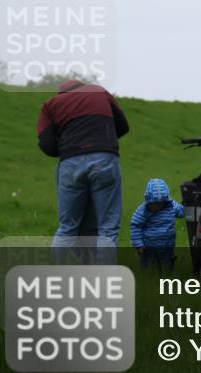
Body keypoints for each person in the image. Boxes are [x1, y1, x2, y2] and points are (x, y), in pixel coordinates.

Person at [37, 79, 129, 249]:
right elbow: (123, 126)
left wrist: (68, 147)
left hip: (70, 164)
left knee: (67, 229)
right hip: (104, 160)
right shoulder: (99, 91)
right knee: (107, 229)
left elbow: (47, 145)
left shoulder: (50, 105)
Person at [130, 178, 185, 271]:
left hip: (168, 245)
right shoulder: (143, 211)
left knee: (167, 266)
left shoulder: (171, 206)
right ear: (148, 200)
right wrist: (138, 244)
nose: (157, 206)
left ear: (165, 200)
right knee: (149, 267)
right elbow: (136, 226)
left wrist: (186, 204)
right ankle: (149, 278)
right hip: (149, 247)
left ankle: (166, 278)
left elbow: (182, 213)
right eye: (154, 204)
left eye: (160, 204)